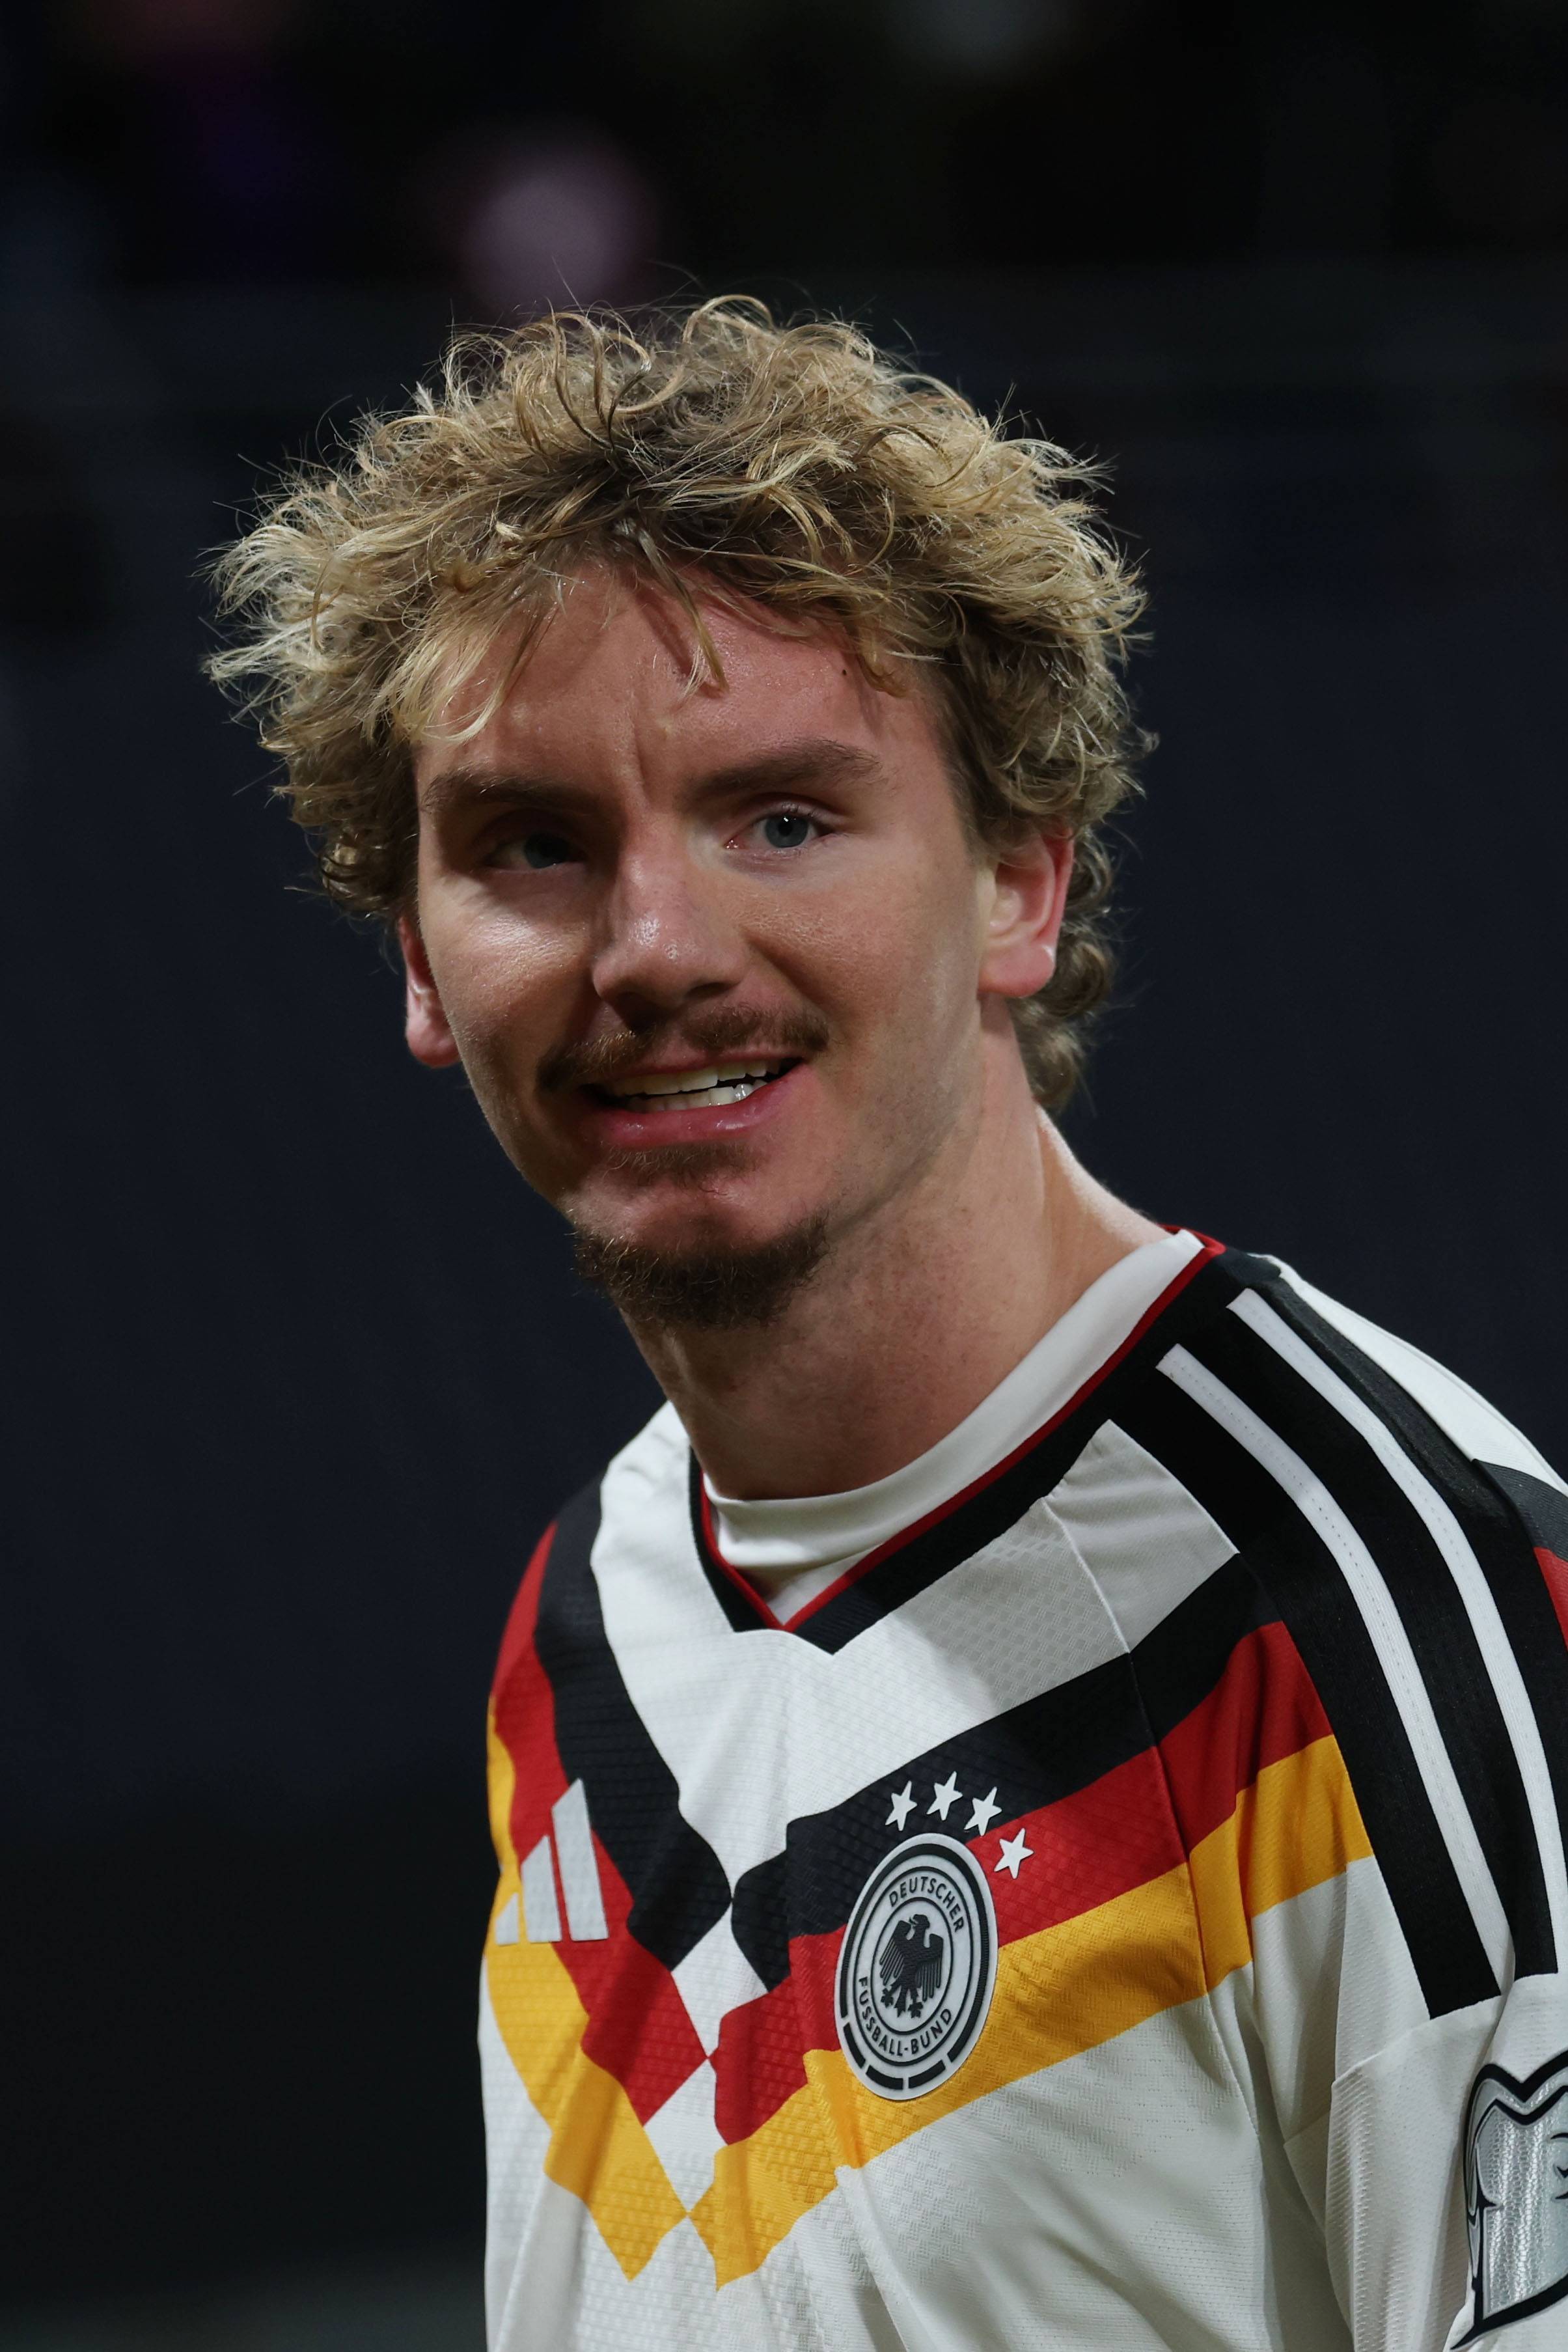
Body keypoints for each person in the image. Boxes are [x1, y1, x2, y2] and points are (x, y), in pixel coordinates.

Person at [210, 301, 1568, 2351]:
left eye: (783, 817)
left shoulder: (1382, 1609)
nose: (656, 949)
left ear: (1021, 883)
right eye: (533, 846)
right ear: (417, 956)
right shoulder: (590, 1617)